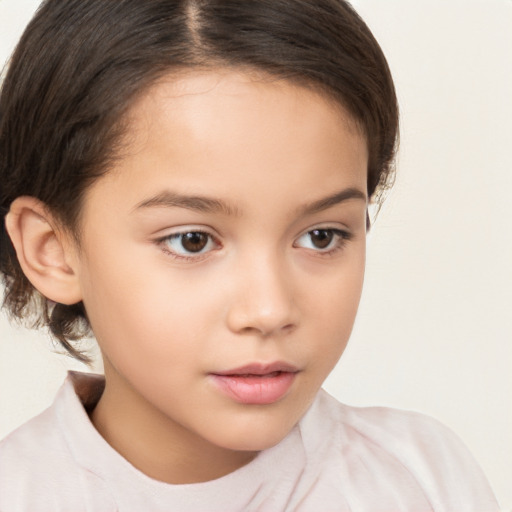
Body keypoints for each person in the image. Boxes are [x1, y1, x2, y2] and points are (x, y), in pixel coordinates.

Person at [0, 0, 499, 510]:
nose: (269, 310)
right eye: (192, 240)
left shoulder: (424, 479)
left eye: (322, 236)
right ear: (53, 251)